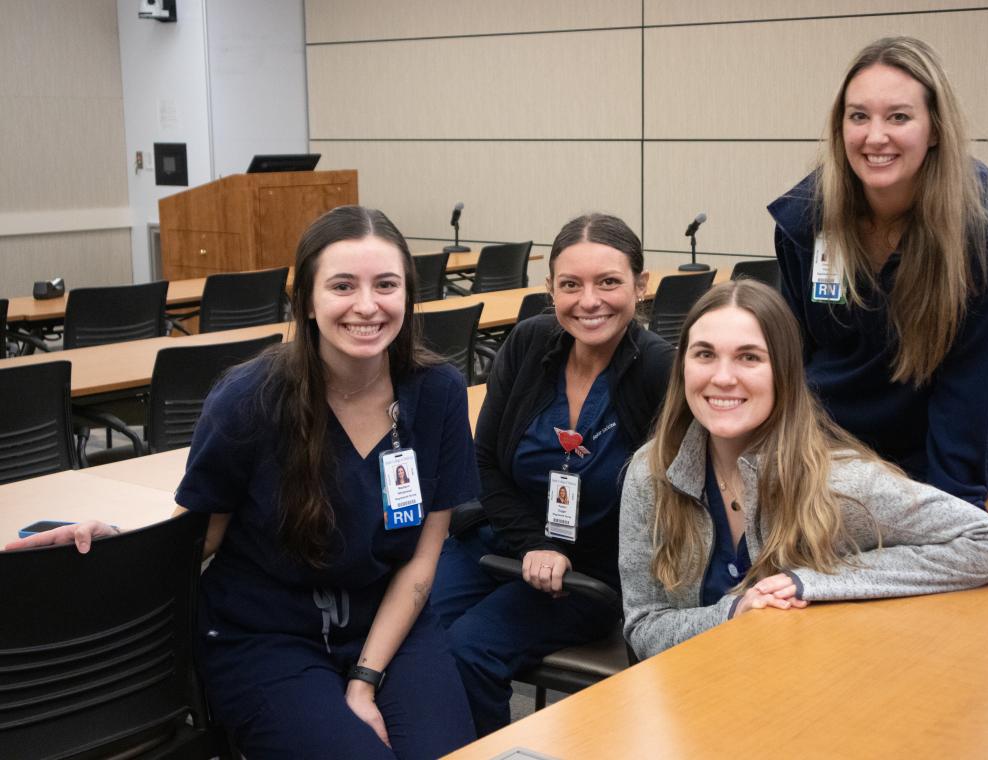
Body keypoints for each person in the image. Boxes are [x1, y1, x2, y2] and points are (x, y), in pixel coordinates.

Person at [7, 206, 479, 759]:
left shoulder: (438, 392)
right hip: (265, 635)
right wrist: (110, 539)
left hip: (387, 622)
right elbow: (196, 540)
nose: (367, 305)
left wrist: (364, 678)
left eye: (387, 285)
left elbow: (423, 562)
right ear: (305, 300)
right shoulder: (251, 398)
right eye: (343, 285)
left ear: (409, 295)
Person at [619, 280, 988, 660]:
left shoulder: (836, 481)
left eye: (749, 357)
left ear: (785, 373)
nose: (723, 377)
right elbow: (643, 625)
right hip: (691, 699)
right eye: (705, 354)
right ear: (683, 367)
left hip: (812, 697)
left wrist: (816, 580)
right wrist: (732, 613)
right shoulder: (651, 472)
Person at [767, 36, 988, 542]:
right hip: (828, 452)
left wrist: (958, 510)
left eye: (898, 117)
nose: (875, 136)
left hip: (935, 451)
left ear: (936, 129)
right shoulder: (807, 214)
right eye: (858, 117)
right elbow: (792, 360)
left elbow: (977, 377)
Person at [431, 213, 674, 736]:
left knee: (468, 651)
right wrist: (535, 544)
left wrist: (557, 554)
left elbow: (670, 503)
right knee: (404, 628)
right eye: (571, 285)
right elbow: (486, 462)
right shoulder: (529, 343)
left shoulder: (659, 370)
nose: (589, 301)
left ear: (641, 284)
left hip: (587, 571)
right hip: (502, 536)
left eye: (609, 282)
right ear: (551, 289)